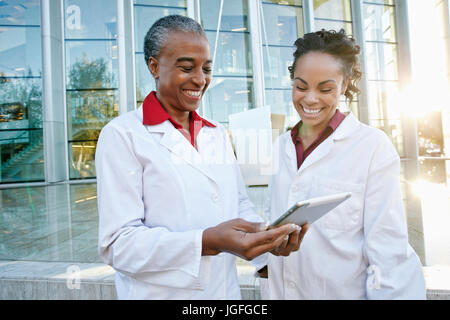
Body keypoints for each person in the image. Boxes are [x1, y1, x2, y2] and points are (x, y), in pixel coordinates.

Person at [95, 15, 308, 300]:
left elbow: (238, 204)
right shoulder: (123, 135)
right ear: (154, 66)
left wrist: (266, 243)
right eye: (186, 67)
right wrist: (207, 241)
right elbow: (118, 245)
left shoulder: (216, 133)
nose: (200, 79)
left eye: (206, 68)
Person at [261, 29, 426, 299]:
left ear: (345, 84)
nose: (310, 99)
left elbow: (388, 251)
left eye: (325, 89)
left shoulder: (372, 147)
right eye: (301, 86)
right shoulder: (280, 147)